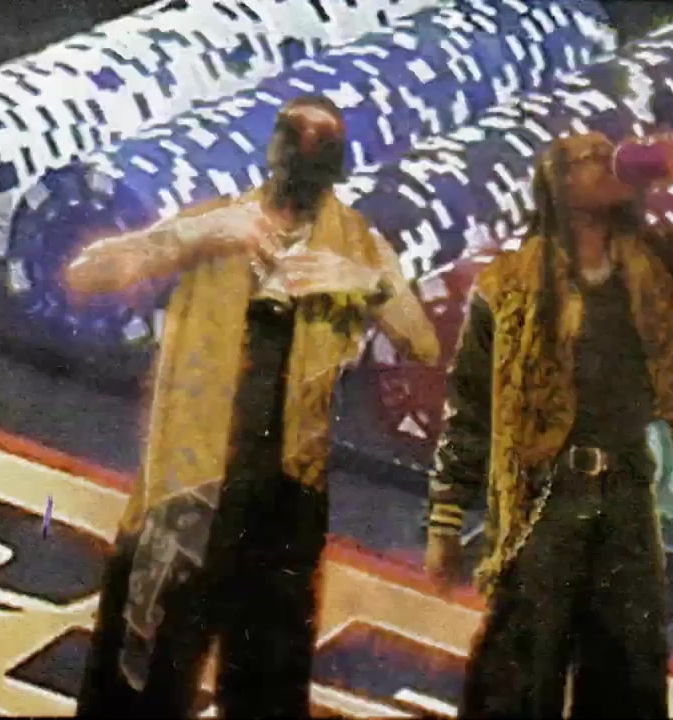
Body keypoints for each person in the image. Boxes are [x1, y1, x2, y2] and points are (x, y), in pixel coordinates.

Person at [66, 95, 440, 718]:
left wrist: (367, 283)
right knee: (140, 674)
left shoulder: (356, 244)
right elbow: (87, 273)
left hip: (286, 493)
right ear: (273, 152)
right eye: (294, 145)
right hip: (191, 481)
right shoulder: (219, 223)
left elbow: (421, 341)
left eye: (317, 151)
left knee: (267, 683)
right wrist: (192, 236)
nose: (300, 165)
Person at [424, 131, 673, 718]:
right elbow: (470, 409)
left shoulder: (665, 263)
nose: (606, 161)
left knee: (629, 660)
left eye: (607, 152)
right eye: (584, 160)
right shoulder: (510, 286)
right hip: (542, 496)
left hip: (624, 489)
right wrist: (445, 520)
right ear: (556, 186)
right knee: (520, 662)